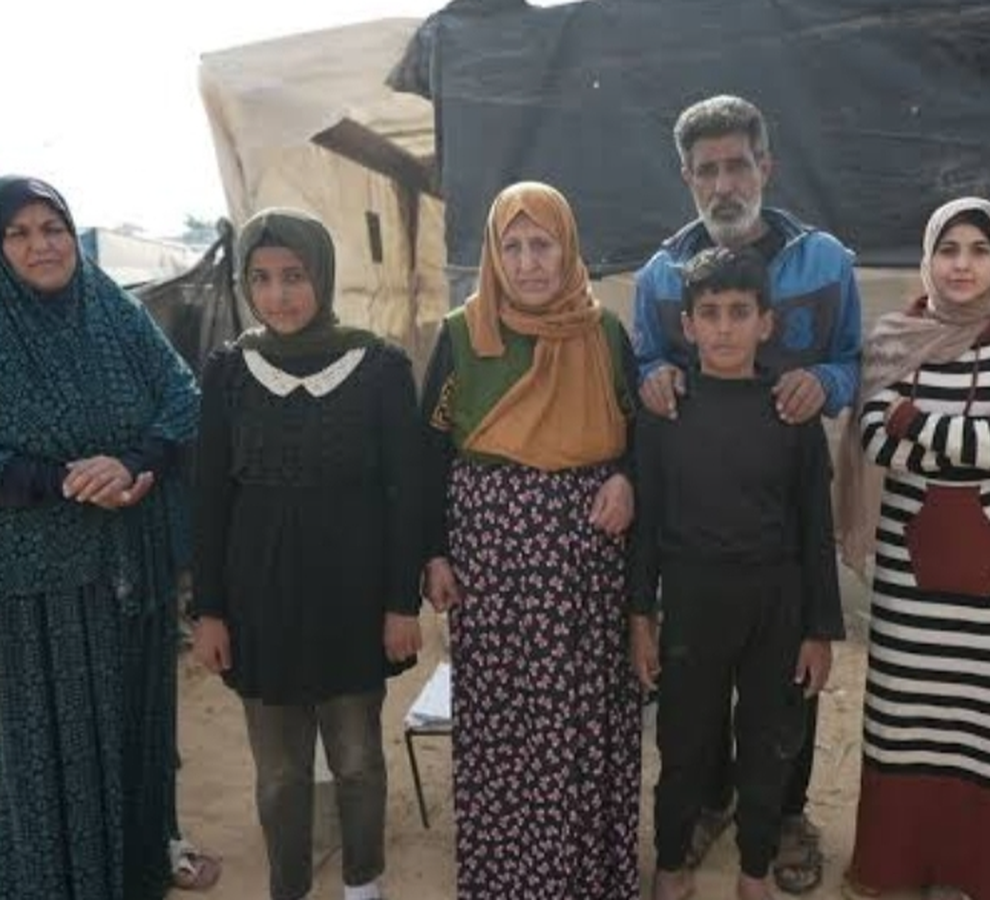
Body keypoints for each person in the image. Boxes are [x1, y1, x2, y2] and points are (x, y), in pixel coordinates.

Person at [632, 93, 862, 894]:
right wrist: (653, 378)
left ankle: (784, 817)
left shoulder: (825, 261)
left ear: (767, 165)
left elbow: (851, 359)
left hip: (783, 495)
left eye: (738, 165)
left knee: (781, 705)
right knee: (693, 713)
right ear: (687, 177)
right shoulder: (662, 275)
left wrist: (822, 381)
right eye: (708, 170)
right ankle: (707, 805)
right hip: (699, 517)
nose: (724, 184)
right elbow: (647, 363)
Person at [837, 197, 990, 900]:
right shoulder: (897, 338)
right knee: (912, 727)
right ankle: (911, 867)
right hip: (914, 594)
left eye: (978, 250)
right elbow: (876, 439)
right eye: (948, 249)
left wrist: (916, 419)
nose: (962, 265)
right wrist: (989, 424)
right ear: (928, 257)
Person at [190, 207, 423, 900]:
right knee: (280, 774)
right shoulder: (229, 372)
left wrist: (400, 603)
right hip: (259, 604)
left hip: (352, 600)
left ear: (321, 273)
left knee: (357, 760)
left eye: (294, 276)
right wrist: (209, 611)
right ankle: (287, 888)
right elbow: (209, 498)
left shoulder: (378, 366)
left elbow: (405, 494)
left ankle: (363, 886)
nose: (279, 295)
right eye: (261, 279)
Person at [421, 181, 642, 900]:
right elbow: (427, 453)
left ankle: (585, 878)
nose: (527, 263)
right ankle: (507, 880)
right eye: (511, 246)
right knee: (503, 724)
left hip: (586, 569)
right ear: (493, 253)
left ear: (567, 246)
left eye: (541, 244)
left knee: (584, 719)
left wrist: (627, 480)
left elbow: (640, 436)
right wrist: (434, 552)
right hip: (493, 570)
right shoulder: (462, 336)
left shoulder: (604, 334)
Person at [0, 175, 207, 900]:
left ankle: (136, 875)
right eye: (18, 233)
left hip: (130, 579)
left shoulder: (114, 309)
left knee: (132, 736)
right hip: (35, 594)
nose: (42, 245)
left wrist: (134, 461)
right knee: (51, 749)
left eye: (53, 228)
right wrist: (63, 480)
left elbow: (184, 397)